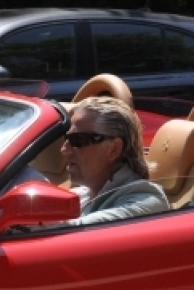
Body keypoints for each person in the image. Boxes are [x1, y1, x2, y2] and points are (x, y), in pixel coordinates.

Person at [58, 95, 168, 225]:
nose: (64, 150)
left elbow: (73, 233)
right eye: (66, 138)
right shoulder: (82, 194)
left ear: (114, 149)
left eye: (78, 140)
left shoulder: (146, 200)